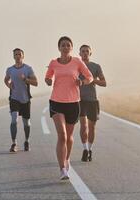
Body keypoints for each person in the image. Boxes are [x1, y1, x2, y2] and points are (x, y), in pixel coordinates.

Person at [45, 36, 93, 180]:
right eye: (63, 45)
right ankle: (62, 169)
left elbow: (89, 77)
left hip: (73, 103)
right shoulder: (53, 63)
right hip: (56, 102)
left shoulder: (77, 62)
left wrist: (82, 81)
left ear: (71, 48)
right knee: (62, 135)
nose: (65, 47)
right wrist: (48, 80)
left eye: (68, 45)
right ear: (59, 48)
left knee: (70, 138)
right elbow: (48, 77)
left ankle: (67, 159)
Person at [4, 48, 38, 153]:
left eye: (19, 54)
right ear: (13, 56)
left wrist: (25, 80)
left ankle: (27, 141)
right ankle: (14, 143)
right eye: (16, 54)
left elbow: (36, 83)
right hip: (14, 98)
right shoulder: (10, 69)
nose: (18, 56)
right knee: (14, 120)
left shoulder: (28, 68)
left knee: (26, 123)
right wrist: (9, 85)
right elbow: (6, 79)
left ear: (23, 56)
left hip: (25, 100)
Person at [79, 45, 107, 162]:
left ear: (90, 54)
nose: (85, 53)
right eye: (83, 51)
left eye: (87, 51)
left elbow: (104, 83)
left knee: (92, 127)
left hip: (92, 100)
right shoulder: (76, 65)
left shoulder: (96, 66)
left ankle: (90, 149)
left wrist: (91, 80)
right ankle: (85, 149)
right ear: (79, 53)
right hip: (79, 100)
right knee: (83, 126)